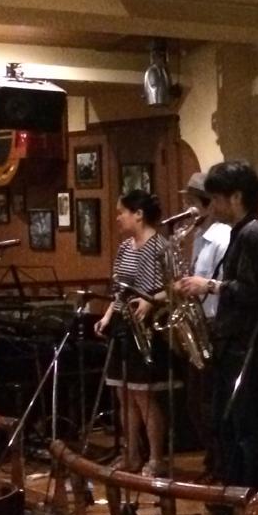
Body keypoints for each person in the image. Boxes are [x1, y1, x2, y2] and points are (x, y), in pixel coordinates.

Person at [176, 161, 258, 515]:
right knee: (229, 425)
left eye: (217, 198)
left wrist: (210, 286)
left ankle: (249, 502)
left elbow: (253, 291)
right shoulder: (242, 232)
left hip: (244, 345)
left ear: (235, 197)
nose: (213, 206)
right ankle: (235, 498)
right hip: (231, 343)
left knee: (245, 430)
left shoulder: (252, 235)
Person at [94, 190, 178, 477]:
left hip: (148, 325)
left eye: (122, 212)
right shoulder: (124, 248)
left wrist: (151, 300)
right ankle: (130, 453)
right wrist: (108, 316)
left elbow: (175, 286)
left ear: (138, 214)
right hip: (124, 322)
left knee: (144, 396)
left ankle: (156, 458)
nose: (118, 217)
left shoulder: (162, 247)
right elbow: (119, 290)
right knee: (124, 394)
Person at [179, 172, 231, 479]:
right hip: (200, 324)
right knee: (195, 403)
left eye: (191, 203)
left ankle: (220, 462)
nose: (187, 210)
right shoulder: (199, 236)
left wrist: (201, 286)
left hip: (215, 326)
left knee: (208, 402)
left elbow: (227, 285)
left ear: (208, 204)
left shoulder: (222, 238)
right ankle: (213, 459)